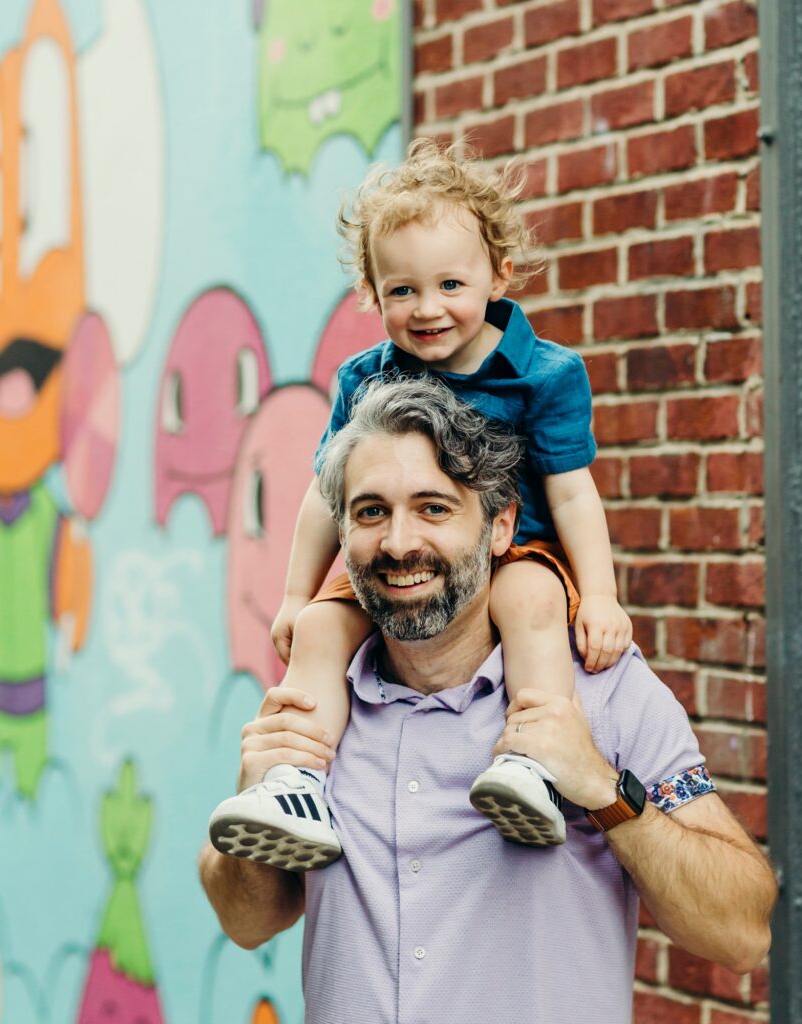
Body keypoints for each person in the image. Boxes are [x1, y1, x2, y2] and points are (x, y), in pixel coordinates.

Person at [200, 378, 777, 1024]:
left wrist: (605, 790)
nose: (397, 543)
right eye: (369, 513)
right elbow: (247, 920)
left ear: (502, 524)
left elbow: (743, 934)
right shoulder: (316, 698)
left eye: (434, 509)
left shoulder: (600, 688)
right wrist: (253, 794)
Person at [208, 138, 632, 864]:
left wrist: (599, 595)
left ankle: (533, 759)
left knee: (530, 605)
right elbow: (323, 495)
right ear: (372, 292)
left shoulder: (545, 375)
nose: (427, 309)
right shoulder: (364, 379)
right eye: (402, 290)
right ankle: (295, 783)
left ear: (498, 273)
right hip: (399, 549)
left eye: (450, 286)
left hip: (514, 545)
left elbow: (570, 491)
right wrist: (293, 595)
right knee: (317, 632)